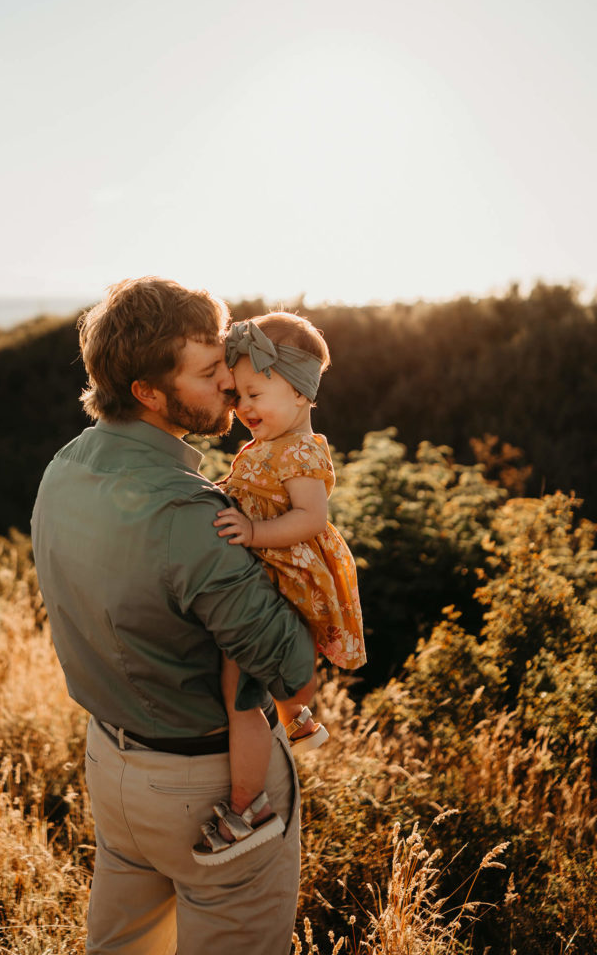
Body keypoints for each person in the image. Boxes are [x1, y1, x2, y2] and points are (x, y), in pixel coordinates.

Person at [30, 278, 316, 955]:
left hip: (111, 764)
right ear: (149, 395)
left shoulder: (62, 469)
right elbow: (292, 670)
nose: (230, 384)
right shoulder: (192, 517)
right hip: (204, 783)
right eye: (210, 372)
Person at [195, 313, 365, 863]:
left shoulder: (300, 451)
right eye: (237, 394)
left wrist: (252, 532)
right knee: (245, 684)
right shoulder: (271, 443)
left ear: (299, 391)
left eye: (254, 392)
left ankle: (248, 809)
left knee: (239, 697)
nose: (241, 407)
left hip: (285, 580)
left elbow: (311, 519)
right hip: (271, 579)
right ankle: (297, 717)